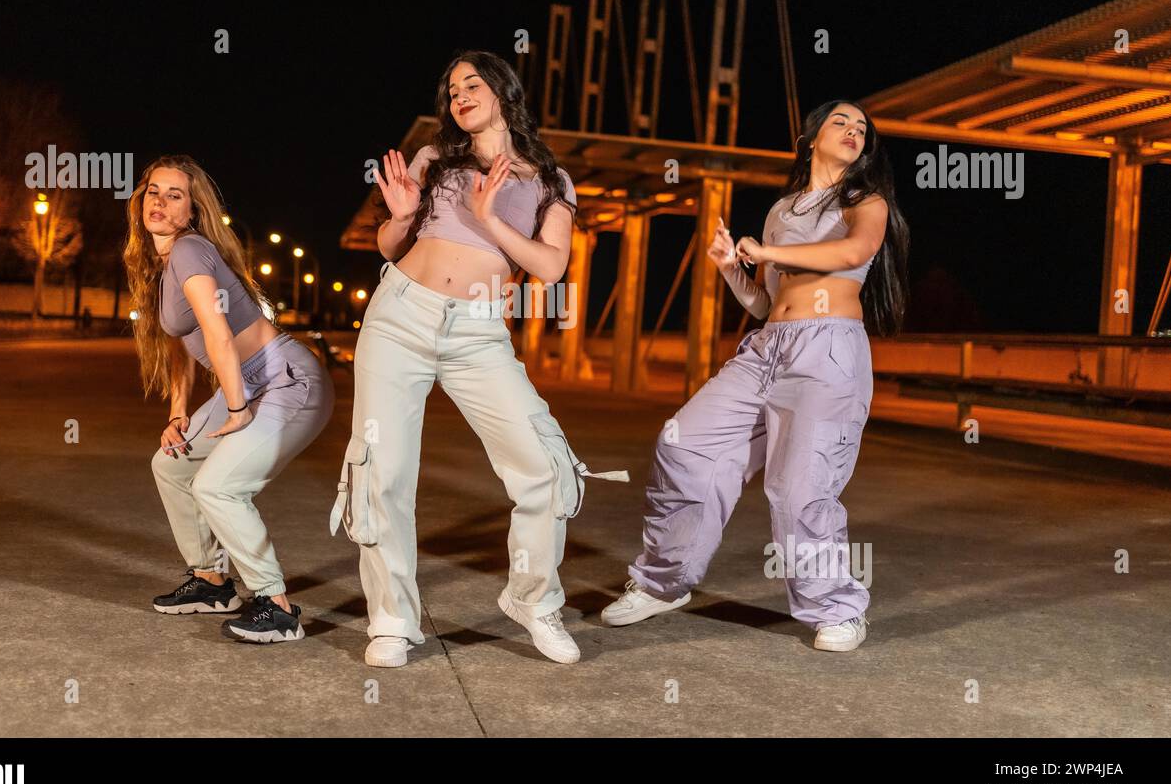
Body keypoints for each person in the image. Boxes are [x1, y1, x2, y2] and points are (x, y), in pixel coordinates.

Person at [334, 50, 626, 668]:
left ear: (503, 91)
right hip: (400, 316)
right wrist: (403, 215)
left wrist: (492, 218)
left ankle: (534, 600)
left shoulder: (549, 179)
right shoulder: (436, 159)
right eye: (451, 88)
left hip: (478, 331)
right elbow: (390, 244)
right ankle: (391, 620)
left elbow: (550, 266)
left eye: (472, 83)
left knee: (545, 465)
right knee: (381, 470)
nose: (459, 93)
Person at [601, 100, 909, 652]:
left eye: (862, 127)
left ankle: (835, 607)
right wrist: (728, 267)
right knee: (685, 443)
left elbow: (855, 250)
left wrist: (769, 251)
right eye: (840, 122)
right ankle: (664, 582)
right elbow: (766, 303)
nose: (853, 131)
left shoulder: (866, 203)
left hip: (827, 355)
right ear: (810, 138)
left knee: (800, 487)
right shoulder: (781, 209)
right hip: (768, 349)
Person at [123, 154, 334, 643]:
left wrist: (237, 408)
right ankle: (212, 582)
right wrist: (178, 413)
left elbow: (216, 331)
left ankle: (277, 607)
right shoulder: (161, 265)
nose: (160, 201)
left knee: (217, 486)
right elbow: (179, 345)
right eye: (154, 190)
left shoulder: (190, 250)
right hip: (245, 380)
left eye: (175, 195)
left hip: (284, 380)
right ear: (140, 199)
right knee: (172, 463)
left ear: (192, 210)